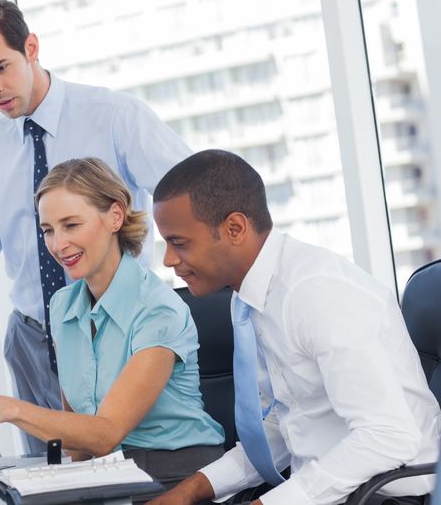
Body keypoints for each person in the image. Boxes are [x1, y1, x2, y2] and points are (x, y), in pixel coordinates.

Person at [0, 0, 191, 453]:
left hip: (114, 327)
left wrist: (191, 272)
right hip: (32, 337)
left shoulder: (114, 116)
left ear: (31, 48)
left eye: (1, 68)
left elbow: (188, 193)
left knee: (124, 466)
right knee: (48, 481)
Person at [149, 150, 440, 505]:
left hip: (382, 495)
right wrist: (188, 491)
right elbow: (280, 427)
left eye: (179, 242)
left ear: (235, 228)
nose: (167, 259)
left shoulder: (314, 293)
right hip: (330, 491)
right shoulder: (253, 298)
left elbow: (388, 435)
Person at [0, 158, 224, 489]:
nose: (58, 244)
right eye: (48, 230)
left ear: (115, 216)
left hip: (175, 472)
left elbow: (106, 432)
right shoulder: (63, 306)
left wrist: (11, 409)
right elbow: (77, 434)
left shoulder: (158, 310)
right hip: (110, 471)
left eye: (71, 225)